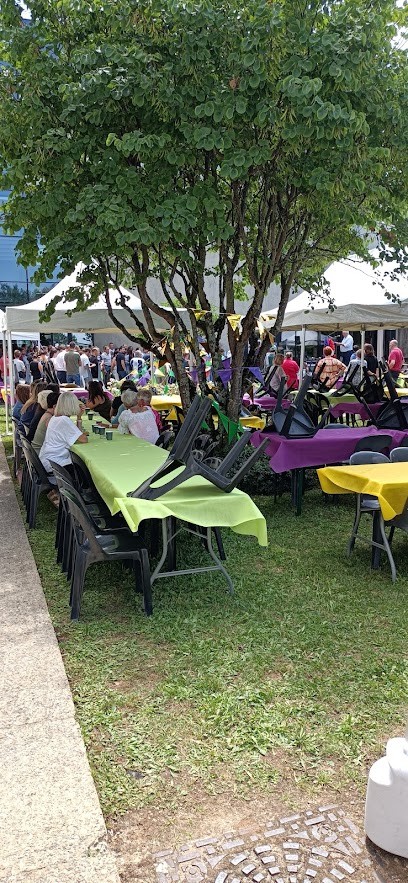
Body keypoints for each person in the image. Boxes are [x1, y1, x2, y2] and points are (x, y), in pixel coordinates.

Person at [40, 391, 88, 476]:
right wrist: (79, 417)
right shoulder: (63, 420)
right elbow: (84, 439)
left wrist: (79, 417)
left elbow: (78, 435)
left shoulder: (55, 418)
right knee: (84, 467)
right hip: (56, 463)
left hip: (49, 459)